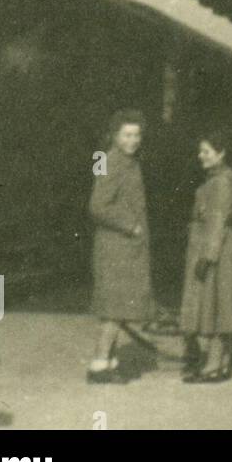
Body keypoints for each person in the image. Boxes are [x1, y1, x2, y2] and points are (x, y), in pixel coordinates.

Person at [87, 109, 155, 384]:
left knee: (117, 308)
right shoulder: (112, 162)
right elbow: (97, 205)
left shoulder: (127, 161)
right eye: (127, 134)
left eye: (137, 134)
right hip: (116, 249)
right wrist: (131, 225)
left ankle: (109, 362)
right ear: (115, 135)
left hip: (124, 249)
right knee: (114, 311)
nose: (133, 140)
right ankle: (99, 366)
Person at [179, 131, 232, 383]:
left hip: (213, 254)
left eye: (207, 151)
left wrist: (207, 257)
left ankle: (212, 366)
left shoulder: (220, 182)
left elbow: (217, 219)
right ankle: (220, 362)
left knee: (215, 307)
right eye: (201, 151)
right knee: (218, 305)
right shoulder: (221, 179)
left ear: (221, 152)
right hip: (219, 251)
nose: (201, 156)